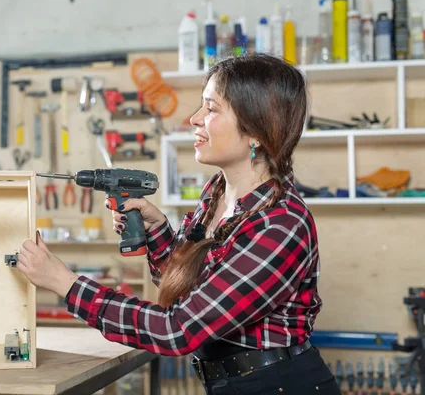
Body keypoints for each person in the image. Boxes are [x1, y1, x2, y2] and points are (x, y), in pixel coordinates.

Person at [17, 54, 341, 395]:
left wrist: (65, 283)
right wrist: (158, 232)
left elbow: (179, 328)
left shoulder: (280, 226)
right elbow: (185, 292)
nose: (194, 119)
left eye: (211, 109)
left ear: (256, 131)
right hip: (230, 383)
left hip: (279, 386)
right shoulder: (216, 193)